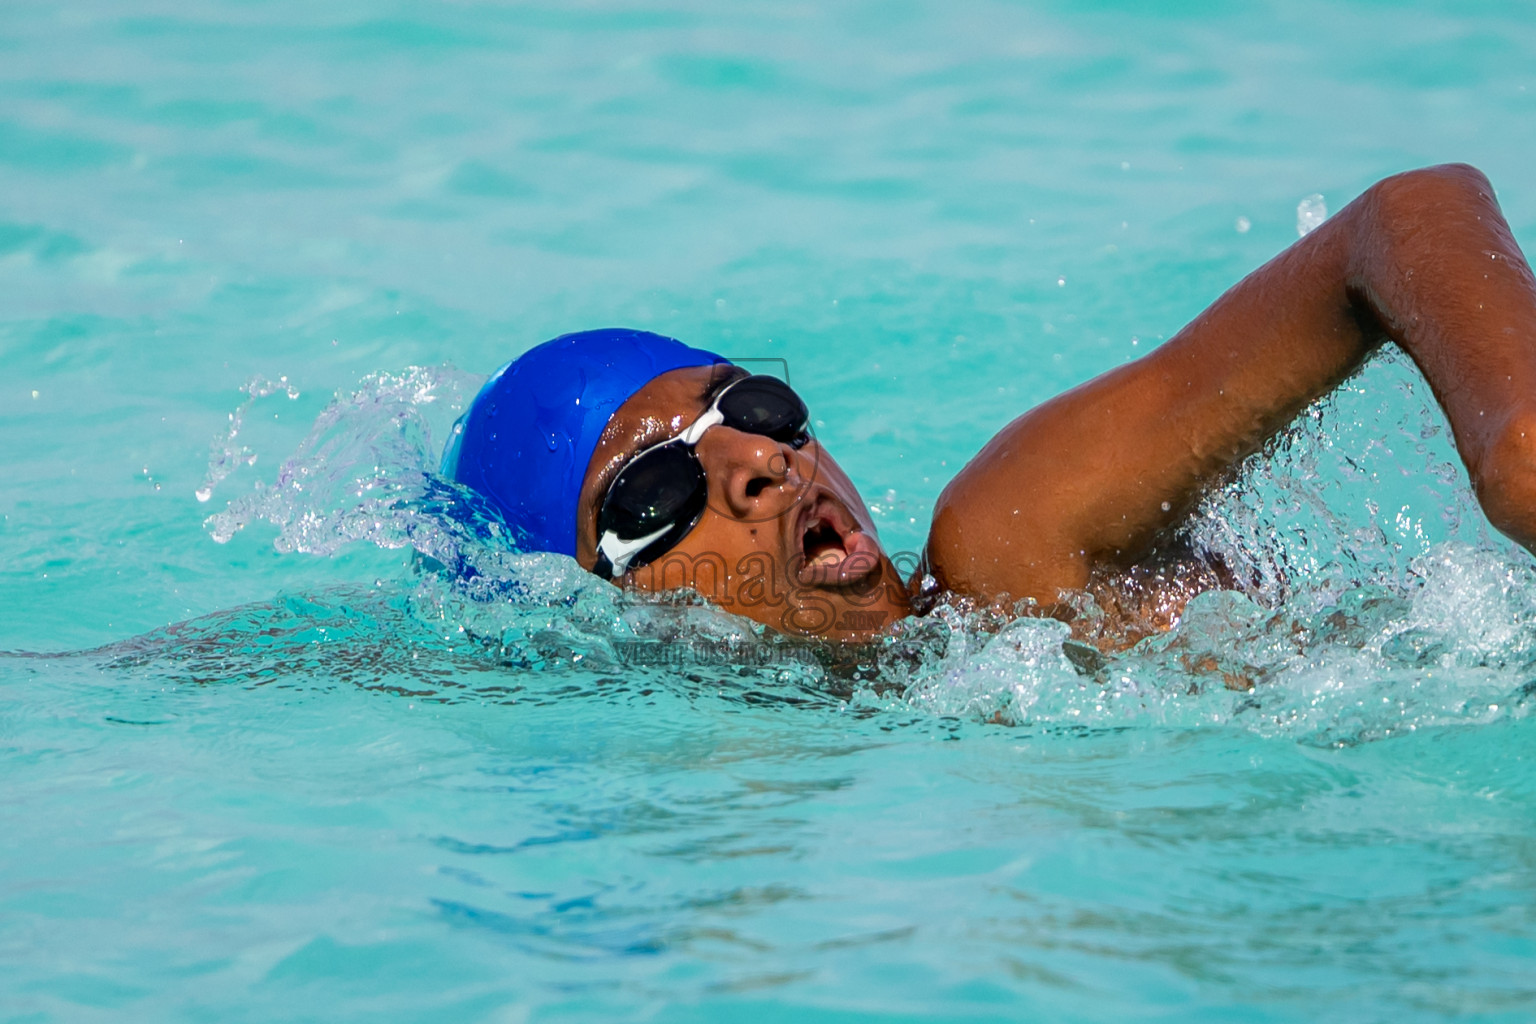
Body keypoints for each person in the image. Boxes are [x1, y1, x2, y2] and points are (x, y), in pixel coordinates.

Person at [444, 164, 1536, 645]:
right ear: (586, 607)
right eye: (657, 487)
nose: (760, 463)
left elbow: (1404, 217)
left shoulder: (1010, 554)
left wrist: (1515, 446)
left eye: (750, 403)